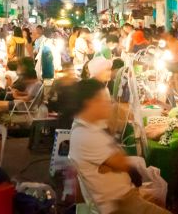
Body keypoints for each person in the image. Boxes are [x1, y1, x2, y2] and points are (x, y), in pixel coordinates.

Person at [68, 80, 168, 214]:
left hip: (121, 198)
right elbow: (122, 163)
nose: (108, 105)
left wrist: (112, 164)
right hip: (120, 203)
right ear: (90, 103)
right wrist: (119, 164)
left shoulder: (88, 126)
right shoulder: (87, 135)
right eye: (103, 100)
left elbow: (115, 161)